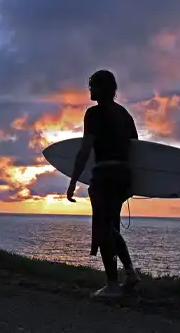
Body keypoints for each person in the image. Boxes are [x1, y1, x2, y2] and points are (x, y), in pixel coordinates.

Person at [66, 69, 141, 298]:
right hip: (123, 177)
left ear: (102, 88)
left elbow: (85, 150)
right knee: (111, 227)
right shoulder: (125, 114)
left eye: (93, 86)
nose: (90, 90)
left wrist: (72, 182)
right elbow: (136, 149)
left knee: (103, 228)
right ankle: (129, 273)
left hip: (104, 177)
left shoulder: (94, 114)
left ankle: (112, 285)